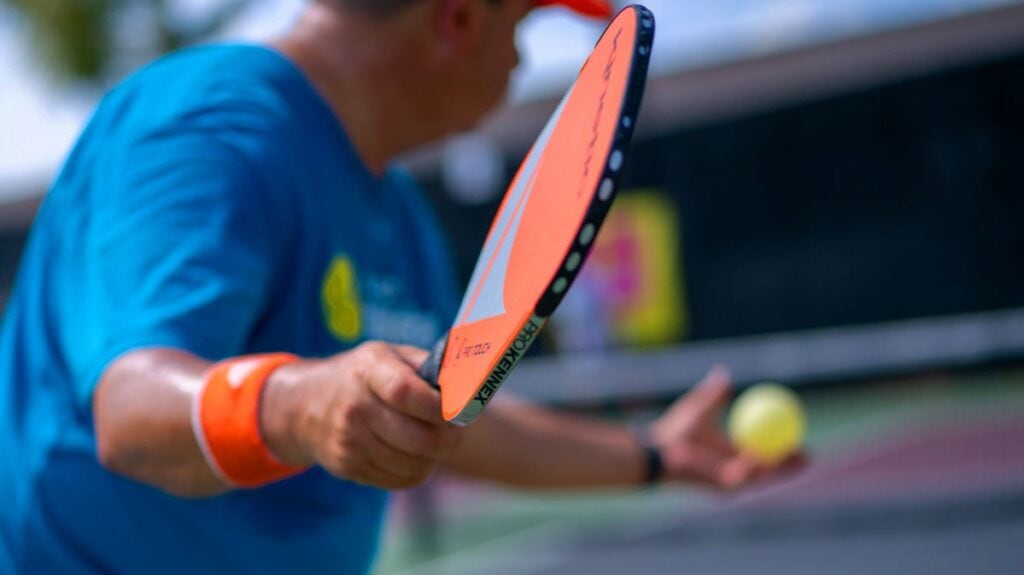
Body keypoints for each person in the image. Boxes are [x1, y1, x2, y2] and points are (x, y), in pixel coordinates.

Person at [0, 1, 797, 573]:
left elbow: (451, 417)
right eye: (522, 26)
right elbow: (134, 411)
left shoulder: (398, 213)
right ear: (457, 19)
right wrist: (300, 405)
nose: (521, 63)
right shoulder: (210, 129)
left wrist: (655, 454)